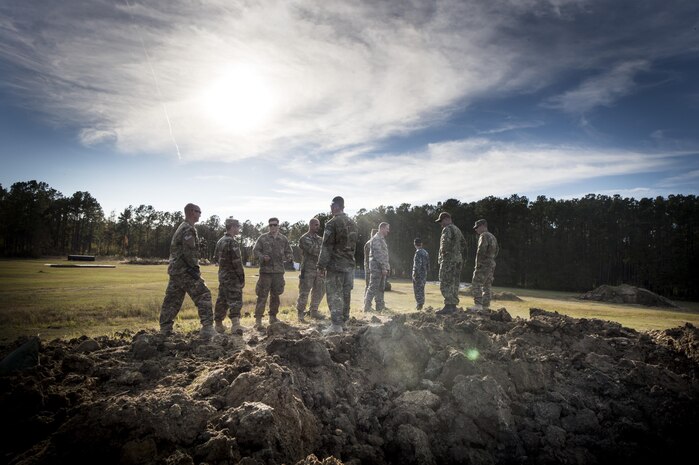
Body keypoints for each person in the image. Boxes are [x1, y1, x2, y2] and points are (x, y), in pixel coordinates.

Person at [159, 203, 215, 338]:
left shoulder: (183, 227)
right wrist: (195, 269)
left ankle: (165, 329)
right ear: (191, 212)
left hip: (176, 270)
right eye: (198, 211)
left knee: (172, 299)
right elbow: (188, 252)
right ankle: (207, 328)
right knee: (203, 294)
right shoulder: (188, 229)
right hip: (185, 270)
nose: (200, 214)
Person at [317, 196, 358, 334]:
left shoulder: (332, 223)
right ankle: (344, 323)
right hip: (349, 266)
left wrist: (321, 266)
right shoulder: (353, 223)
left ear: (335, 206)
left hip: (336, 266)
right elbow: (353, 246)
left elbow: (326, 247)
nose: (330, 208)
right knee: (346, 295)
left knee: (334, 294)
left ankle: (336, 325)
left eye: (331, 206)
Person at [252, 217, 294, 328]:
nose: (273, 227)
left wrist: (289, 257)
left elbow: (289, 251)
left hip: (278, 272)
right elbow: (255, 251)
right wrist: (262, 257)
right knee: (262, 296)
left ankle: (273, 317)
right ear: (268, 226)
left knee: (275, 296)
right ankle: (258, 320)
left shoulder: (283, 239)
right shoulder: (262, 238)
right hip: (265, 272)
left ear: (278, 226)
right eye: (270, 225)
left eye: (275, 225)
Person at [213, 217, 245, 334]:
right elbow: (237, 262)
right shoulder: (232, 242)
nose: (239, 229)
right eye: (237, 226)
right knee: (235, 300)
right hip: (232, 278)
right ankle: (236, 326)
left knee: (222, 300)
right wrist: (241, 278)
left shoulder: (220, 241)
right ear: (232, 227)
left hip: (223, 276)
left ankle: (218, 325)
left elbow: (215, 259)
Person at [434, 211, 467, 315]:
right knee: (454, 283)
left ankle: (448, 306)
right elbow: (464, 244)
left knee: (445, 282)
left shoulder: (447, 229)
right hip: (458, 261)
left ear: (447, 219)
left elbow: (445, 244)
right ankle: (453, 306)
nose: (441, 224)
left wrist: (444, 255)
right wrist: (459, 256)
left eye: (442, 221)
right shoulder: (457, 229)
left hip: (449, 261)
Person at [296, 218, 326, 322]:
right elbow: (313, 250)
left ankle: (314, 311)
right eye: (316, 225)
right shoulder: (304, 238)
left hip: (319, 269)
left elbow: (325, 251)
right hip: (308, 269)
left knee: (319, 290)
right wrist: (324, 251)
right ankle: (300, 313)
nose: (318, 227)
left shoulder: (320, 239)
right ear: (310, 225)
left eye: (318, 225)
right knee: (304, 292)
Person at [470, 219, 499, 310]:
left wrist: (478, 264)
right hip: (491, 263)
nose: (476, 229)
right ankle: (486, 306)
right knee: (487, 285)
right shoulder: (493, 237)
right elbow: (497, 250)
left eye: (477, 227)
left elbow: (481, 250)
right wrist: (491, 259)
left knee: (476, 283)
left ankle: (478, 305)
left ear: (483, 226)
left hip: (483, 264)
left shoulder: (484, 235)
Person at [363, 222, 390, 312]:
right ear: (382, 228)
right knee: (373, 287)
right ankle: (367, 307)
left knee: (380, 288)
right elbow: (378, 255)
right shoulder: (376, 239)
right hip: (377, 268)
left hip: (381, 268)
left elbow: (384, 255)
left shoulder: (382, 239)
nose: (388, 231)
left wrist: (387, 267)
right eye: (387, 228)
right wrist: (383, 267)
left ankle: (380, 307)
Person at [412, 237, 430, 310]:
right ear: (421, 244)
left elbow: (417, 265)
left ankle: (419, 305)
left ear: (415, 244)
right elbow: (428, 265)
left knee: (417, 290)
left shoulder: (418, 252)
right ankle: (421, 303)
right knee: (422, 289)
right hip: (424, 274)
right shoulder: (425, 252)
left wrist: (415, 274)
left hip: (418, 275)